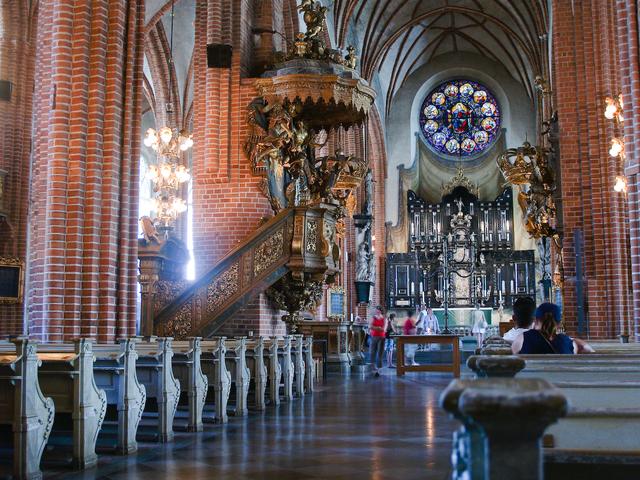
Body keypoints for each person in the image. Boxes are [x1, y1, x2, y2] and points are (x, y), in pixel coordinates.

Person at [512, 302, 593, 354]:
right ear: (559, 323)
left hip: (533, 380)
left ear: (535, 320)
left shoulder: (523, 338)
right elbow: (590, 351)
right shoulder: (568, 342)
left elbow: (514, 361)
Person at [368, 306, 386, 376]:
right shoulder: (373, 317)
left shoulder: (384, 318)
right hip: (374, 336)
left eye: (378, 310)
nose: (377, 311)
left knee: (380, 353)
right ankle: (372, 367)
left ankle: (378, 369)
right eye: (376, 310)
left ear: (381, 311)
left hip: (382, 337)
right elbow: (370, 326)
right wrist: (378, 328)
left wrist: (375, 328)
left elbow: (384, 329)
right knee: (373, 352)